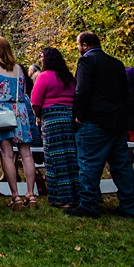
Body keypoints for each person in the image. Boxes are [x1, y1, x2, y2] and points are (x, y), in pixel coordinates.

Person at [66, 31, 134, 219]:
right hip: (117, 120)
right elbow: (125, 93)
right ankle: (129, 204)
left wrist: (78, 114)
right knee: (122, 165)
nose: (77, 48)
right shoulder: (117, 63)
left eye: (78, 45)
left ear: (85, 45)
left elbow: (81, 90)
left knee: (89, 162)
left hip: (95, 119)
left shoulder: (87, 62)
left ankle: (88, 204)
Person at [0, 35, 37, 210]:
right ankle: (31, 193)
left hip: (2, 112)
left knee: (6, 154)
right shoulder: (19, 70)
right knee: (26, 154)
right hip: (20, 111)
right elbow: (23, 92)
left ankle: (15, 196)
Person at [31, 46, 78, 209]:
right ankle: (75, 194)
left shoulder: (44, 77)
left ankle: (61, 196)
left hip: (51, 120)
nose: (41, 59)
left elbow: (35, 101)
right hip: (69, 118)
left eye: (42, 57)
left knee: (54, 157)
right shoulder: (68, 77)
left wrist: (38, 116)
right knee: (71, 156)